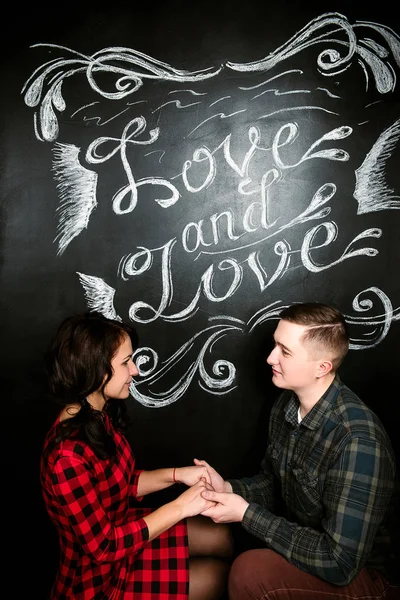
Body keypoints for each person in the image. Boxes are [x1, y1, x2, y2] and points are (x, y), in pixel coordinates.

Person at [195, 302, 400, 600]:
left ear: (322, 367)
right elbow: (275, 483)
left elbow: (340, 563)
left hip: (367, 577)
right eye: (274, 345)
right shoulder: (287, 405)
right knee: (211, 530)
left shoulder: (358, 441)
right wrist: (228, 489)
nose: (270, 358)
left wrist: (246, 513)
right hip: (315, 553)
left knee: (250, 571)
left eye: (285, 351)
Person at [40, 311, 233, 600]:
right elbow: (103, 548)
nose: (136, 371)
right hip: (97, 580)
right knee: (214, 579)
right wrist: (180, 507)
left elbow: (121, 483)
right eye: (126, 362)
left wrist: (178, 475)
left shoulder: (94, 416)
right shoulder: (67, 458)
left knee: (221, 536)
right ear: (96, 369)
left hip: (124, 533)